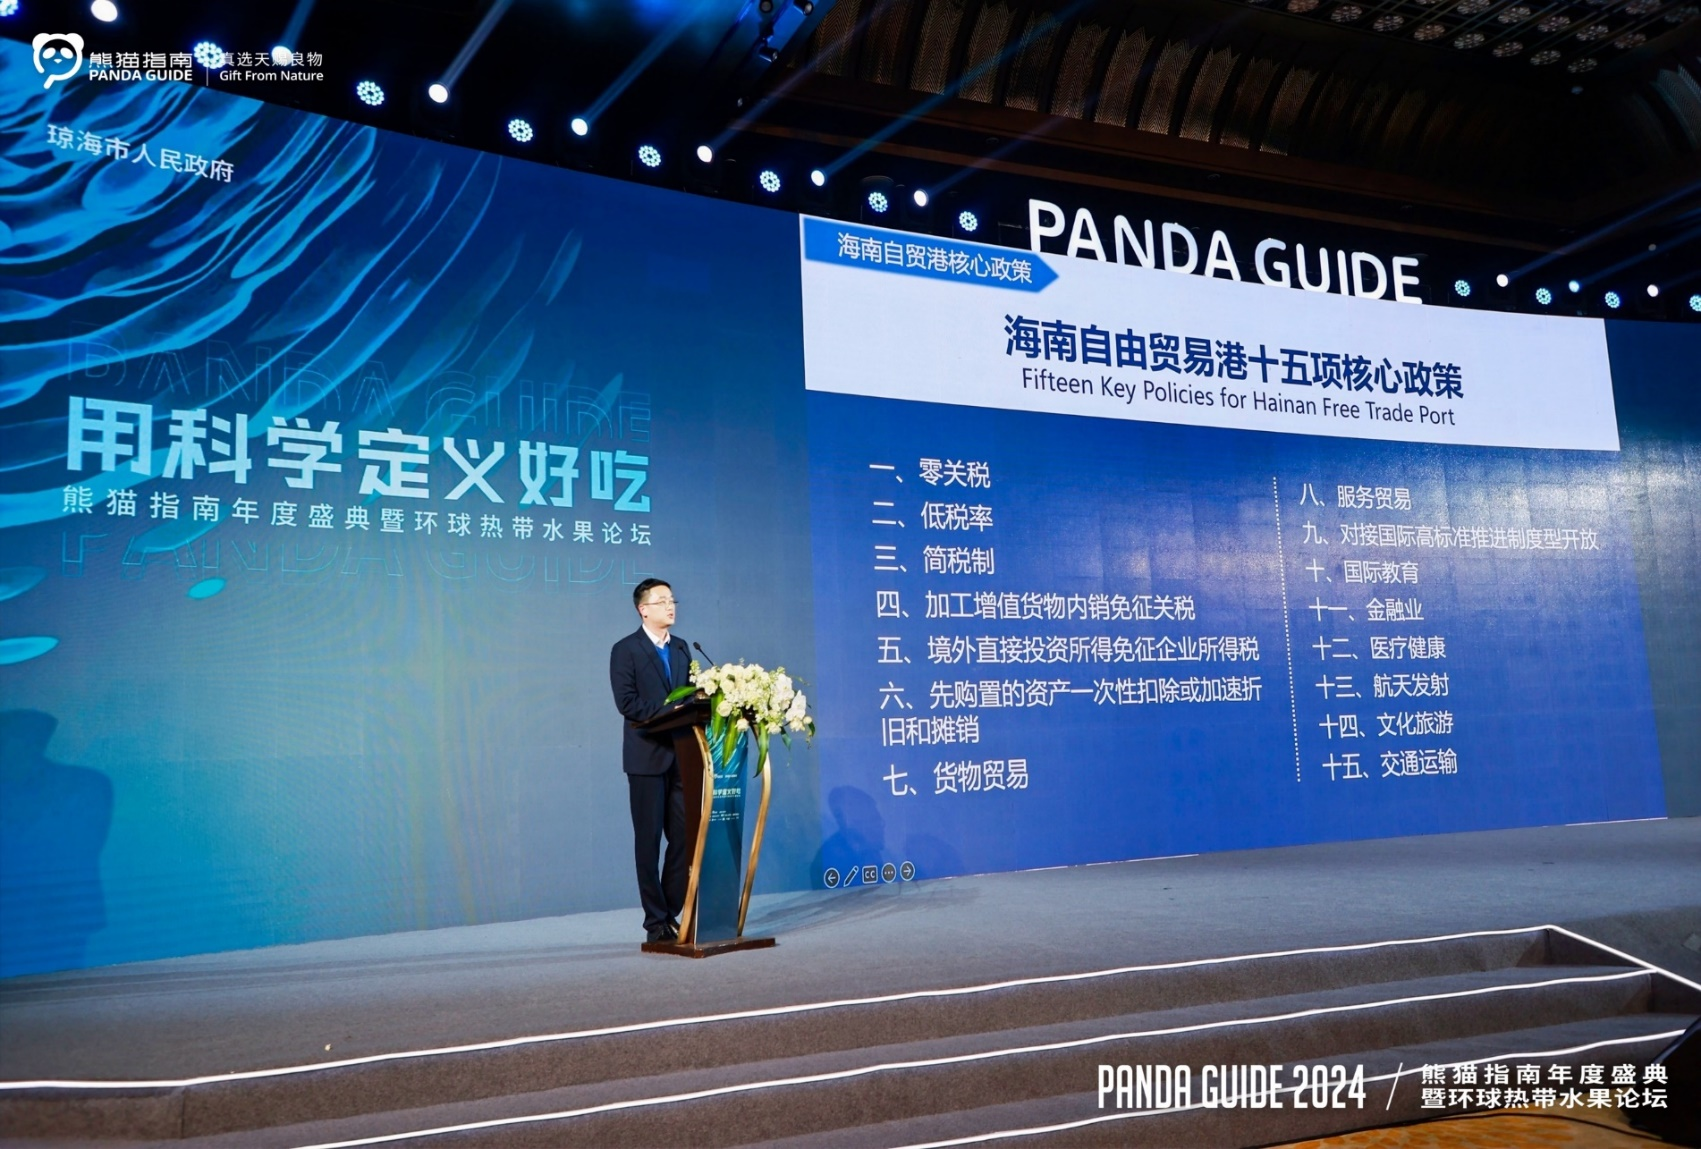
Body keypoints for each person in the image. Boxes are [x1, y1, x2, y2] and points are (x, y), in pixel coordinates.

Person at [608, 579, 693, 943]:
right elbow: (627, 703)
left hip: (683, 756)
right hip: (646, 758)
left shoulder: (683, 648)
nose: (670, 606)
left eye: (672, 600)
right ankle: (655, 922)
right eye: (661, 601)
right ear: (643, 609)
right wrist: (670, 710)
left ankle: (669, 909)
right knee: (648, 842)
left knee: (685, 837)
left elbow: (693, 696)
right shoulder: (626, 649)